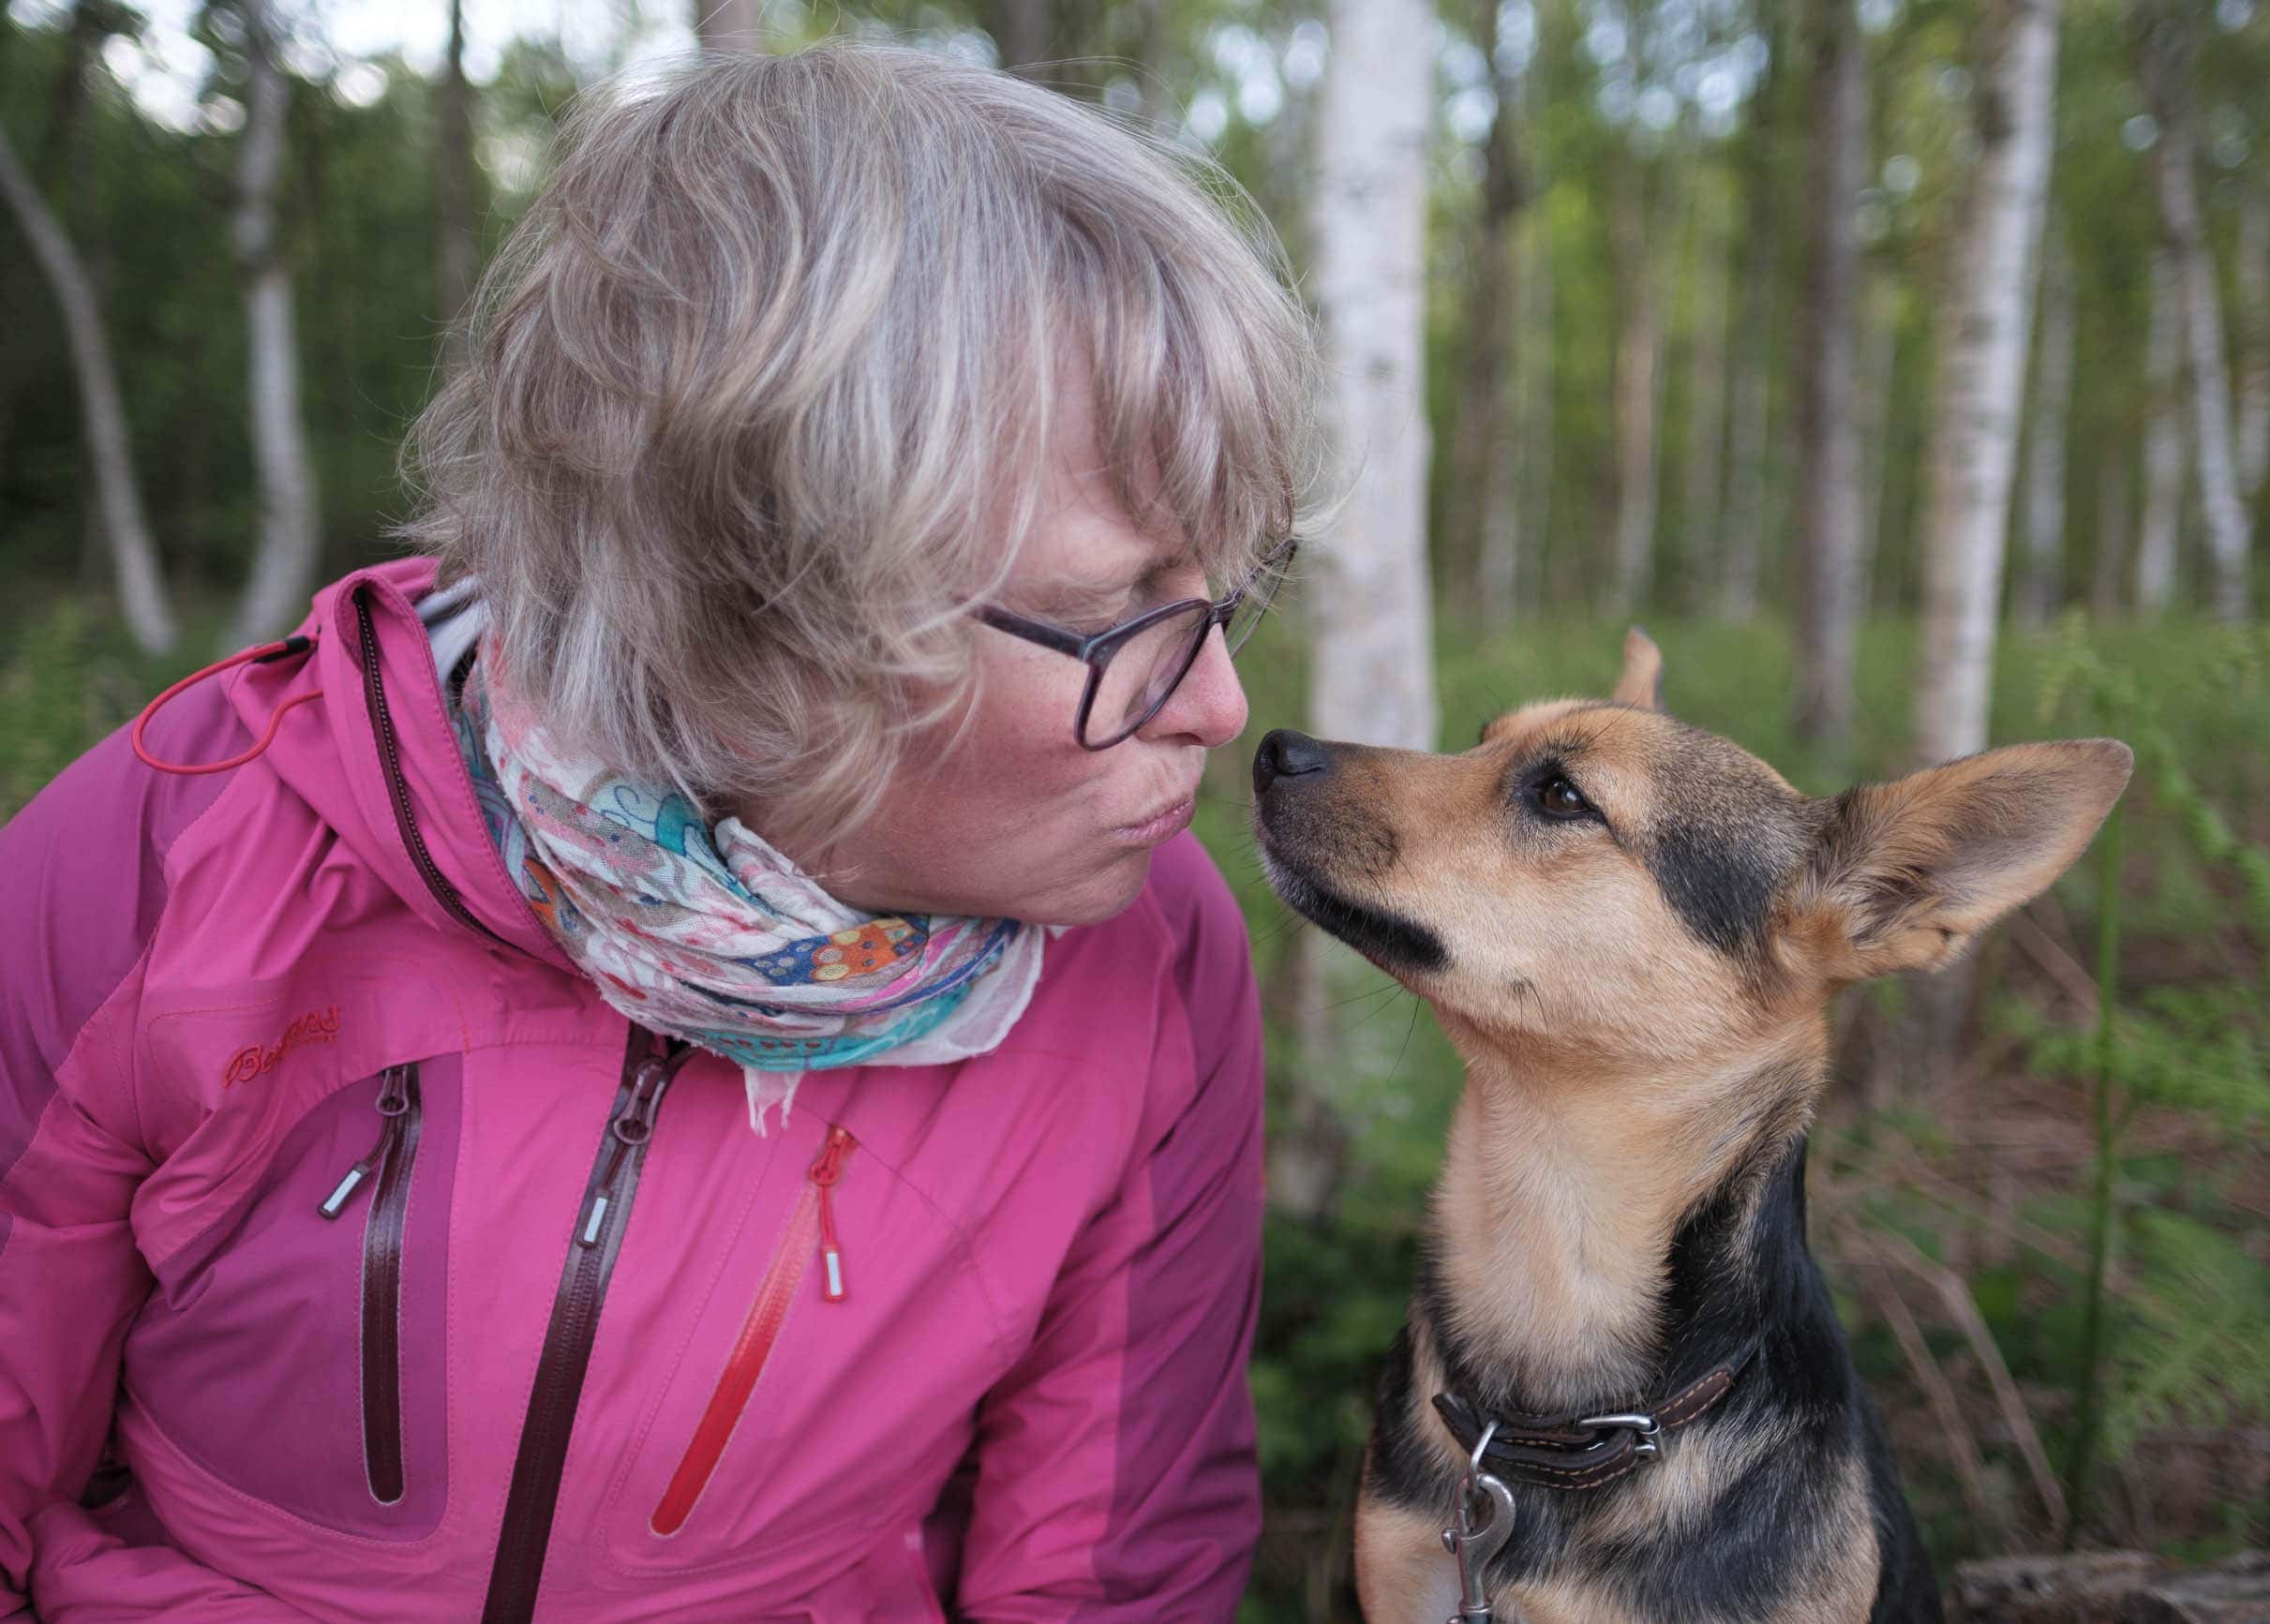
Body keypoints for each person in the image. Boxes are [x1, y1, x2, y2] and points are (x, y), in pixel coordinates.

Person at [0, 38, 1321, 1621]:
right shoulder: (188, 844)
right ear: (773, 609)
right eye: (1121, 614)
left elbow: (1115, 1578)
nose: (1220, 705)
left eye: (1226, 589)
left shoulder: (1152, 965)